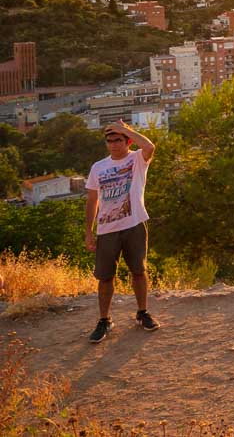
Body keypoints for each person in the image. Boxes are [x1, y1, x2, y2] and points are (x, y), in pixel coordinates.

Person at [84, 121, 159, 343]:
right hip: (107, 229)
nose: (114, 144)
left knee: (138, 270)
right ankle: (104, 320)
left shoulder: (136, 159)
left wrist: (126, 130)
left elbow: (149, 147)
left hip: (134, 223)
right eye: (110, 140)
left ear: (126, 141)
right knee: (105, 276)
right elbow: (92, 200)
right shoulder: (98, 167)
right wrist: (89, 232)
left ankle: (142, 312)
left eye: (118, 140)